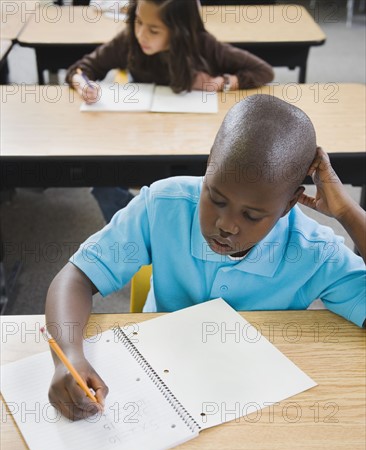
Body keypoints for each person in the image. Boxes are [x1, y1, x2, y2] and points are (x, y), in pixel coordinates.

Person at [46, 94, 366, 420]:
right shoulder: (163, 204)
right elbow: (77, 277)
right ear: (209, 163)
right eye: (216, 197)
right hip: (155, 376)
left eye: (253, 216)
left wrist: (349, 213)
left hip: (252, 401)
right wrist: (68, 356)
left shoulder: (314, 252)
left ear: (289, 204)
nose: (226, 225)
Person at [66, 0, 274, 222]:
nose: (141, 34)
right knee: (102, 180)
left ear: (179, 31)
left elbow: (263, 71)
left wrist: (221, 82)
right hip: (141, 137)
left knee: (189, 193)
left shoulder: (202, 45)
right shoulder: (129, 42)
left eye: (153, 30)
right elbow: (81, 69)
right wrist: (83, 83)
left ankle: (169, 225)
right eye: (137, 22)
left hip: (188, 142)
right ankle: (135, 226)